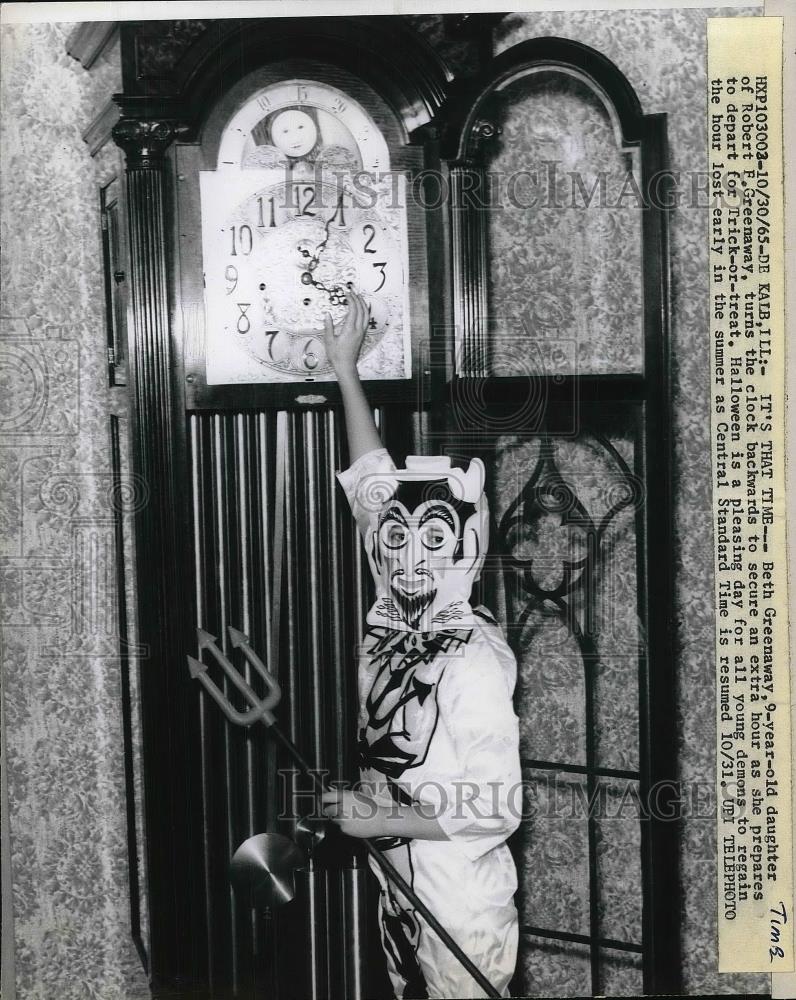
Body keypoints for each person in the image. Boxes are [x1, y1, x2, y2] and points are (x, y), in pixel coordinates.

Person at [320, 293, 521, 999]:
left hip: (462, 909)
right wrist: (346, 370)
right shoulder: (391, 623)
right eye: (398, 540)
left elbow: (497, 805)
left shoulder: (473, 657)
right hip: (400, 891)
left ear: (465, 547)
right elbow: (375, 492)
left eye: (433, 540)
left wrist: (379, 817)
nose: (409, 560)